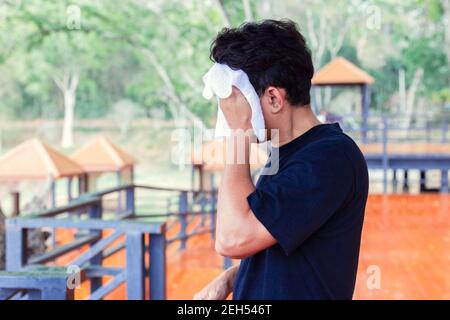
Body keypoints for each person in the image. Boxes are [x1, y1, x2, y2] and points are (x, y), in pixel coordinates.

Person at [194, 19, 369, 300]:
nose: (228, 113)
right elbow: (287, 241)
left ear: (273, 98)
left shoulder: (329, 158)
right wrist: (231, 279)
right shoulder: (287, 154)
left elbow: (231, 239)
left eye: (237, 100)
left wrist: (240, 133)